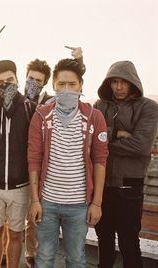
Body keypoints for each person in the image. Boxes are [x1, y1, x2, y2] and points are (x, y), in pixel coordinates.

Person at [27, 58, 108, 268]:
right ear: (53, 85)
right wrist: (35, 200)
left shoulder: (94, 116)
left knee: (76, 258)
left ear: (81, 85)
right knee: (43, 258)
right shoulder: (41, 116)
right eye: (61, 84)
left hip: (79, 204)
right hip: (47, 203)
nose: (66, 89)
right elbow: (34, 159)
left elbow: (100, 161)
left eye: (72, 84)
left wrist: (96, 203)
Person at [94, 61, 158, 268]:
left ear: (133, 82)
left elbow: (141, 146)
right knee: (104, 242)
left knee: (129, 244)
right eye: (114, 82)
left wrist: (104, 142)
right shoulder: (99, 106)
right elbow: (91, 139)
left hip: (130, 187)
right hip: (102, 187)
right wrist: (116, 133)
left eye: (123, 82)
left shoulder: (149, 107)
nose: (119, 87)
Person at [0, 60, 35, 268]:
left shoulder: (30, 108)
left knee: (15, 233)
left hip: (21, 187)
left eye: (9, 80)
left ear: (18, 80)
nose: (5, 84)